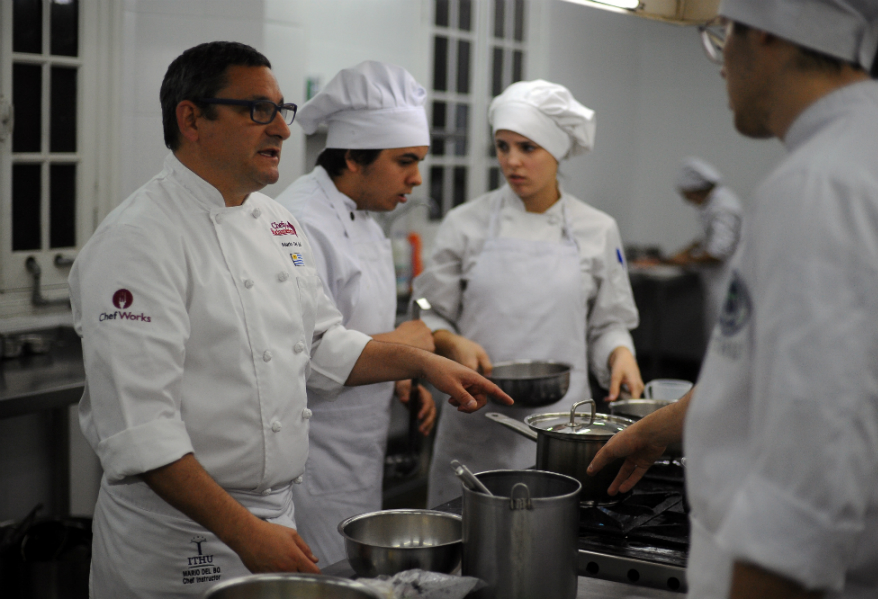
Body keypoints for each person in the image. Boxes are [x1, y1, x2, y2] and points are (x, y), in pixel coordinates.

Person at [69, 41, 512, 598]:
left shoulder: (275, 222)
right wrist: (244, 531)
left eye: (282, 110)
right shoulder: (137, 241)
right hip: (176, 543)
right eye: (258, 110)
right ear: (192, 118)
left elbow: (322, 346)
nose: (280, 128)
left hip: (273, 519)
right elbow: (141, 431)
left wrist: (422, 363)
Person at [589, 1, 878, 597]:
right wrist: (661, 428)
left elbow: (804, 492)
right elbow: (796, 375)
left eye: (720, 34)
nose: (720, 61)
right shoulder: (874, 156)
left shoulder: (821, 187)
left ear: (762, 32)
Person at [414, 79, 645, 507]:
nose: (512, 162)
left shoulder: (597, 228)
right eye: (503, 147)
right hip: (475, 421)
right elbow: (427, 309)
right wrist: (450, 340)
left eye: (527, 147)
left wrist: (621, 354)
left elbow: (609, 322)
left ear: (556, 150)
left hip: (563, 430)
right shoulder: (466, 223)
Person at [276, 61, 437, 568]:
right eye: (404, 161)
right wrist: (413, 347)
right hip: (311, 462)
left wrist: (401, 377)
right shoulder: (300, 222)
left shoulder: (366, 215)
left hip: (360, 453)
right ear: (353, 156)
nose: (415, 178)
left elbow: (355, 327)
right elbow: (305, 354)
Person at [664, 157, 742, 338]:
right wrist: (688, 249)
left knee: (721, 337)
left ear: (695, 190)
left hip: (725, 283)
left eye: (686, 195)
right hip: (718, 281)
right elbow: (710, 237)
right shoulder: (716, 203)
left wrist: (685, 261)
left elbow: (718, 252)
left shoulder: (724, 207)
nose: (687, 201)